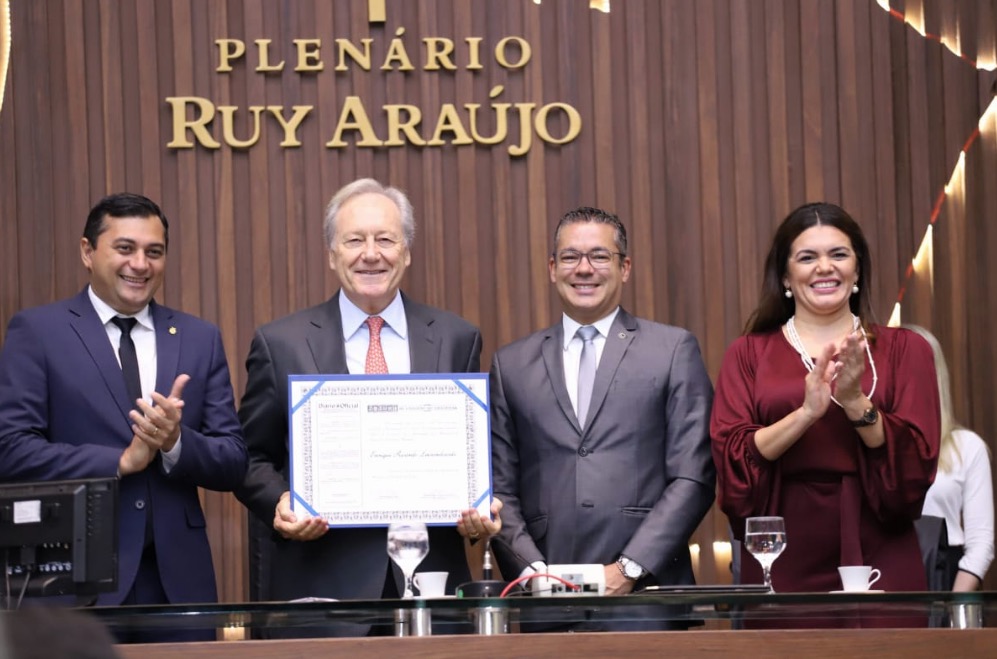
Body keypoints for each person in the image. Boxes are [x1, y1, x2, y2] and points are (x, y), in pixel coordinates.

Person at [235, 178, 483, 627]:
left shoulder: (456, 337)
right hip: (323, 592)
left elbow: (477, 456)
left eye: (385, 239)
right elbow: (249, 455)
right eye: (355, 240)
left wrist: (480, 506)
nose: (371, 254)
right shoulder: (281, 343)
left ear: (406, 252)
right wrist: (281, 502)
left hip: (433, 590)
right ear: (333, 255)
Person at [0, 193, 248, 640]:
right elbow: (12, 450)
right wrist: (118, 462)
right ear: (87, 252)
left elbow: (233, 459)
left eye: (154, 252)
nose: (141, 264)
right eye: (125, 248)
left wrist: (174, 444)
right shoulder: (38, 332)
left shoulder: (199, 337)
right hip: (74, 582)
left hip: (176, 585)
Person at [489, 206, 715, 630]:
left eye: (600, 256)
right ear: (553, 268)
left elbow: (694, 476)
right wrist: (535, 573)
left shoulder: (672, 350)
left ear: (624, 267)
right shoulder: (511, 364)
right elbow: (499, 487)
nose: (584, 269)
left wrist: (629, 568)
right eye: (571, 257)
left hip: (648, 602)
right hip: (548, 605)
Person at [711, 202, 940, 599]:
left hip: (879, 542)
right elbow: (733, 463)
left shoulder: (907, 349)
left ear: (857, 269)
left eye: (838, 254)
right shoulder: (748, 353)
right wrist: (806, 414)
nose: (824, 267)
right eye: (807, 257)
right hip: (780, 549)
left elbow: (915, 461)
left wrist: (854, 403)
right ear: (785, 275)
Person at [909, 325, 994, 591]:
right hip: (882, 576)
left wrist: (955, 606)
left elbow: (981, 543)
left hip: (944, 576)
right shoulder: (867, 447)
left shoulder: (967, 447)